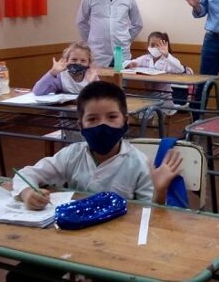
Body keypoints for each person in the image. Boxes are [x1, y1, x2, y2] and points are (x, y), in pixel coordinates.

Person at [12, 81, 183, 209]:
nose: (102, 125)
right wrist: (28, 193)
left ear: (125, 121)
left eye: (112, 117)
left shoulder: (139, 163)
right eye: (92, 119)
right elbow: (24, 174)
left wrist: (160, 192)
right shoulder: (71, 155)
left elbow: (151, 217)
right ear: (81, 126)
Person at [77, 0, 144, 67]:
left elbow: (138, 24)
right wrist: (91, 39)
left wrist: (125, 38)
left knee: (120, 76)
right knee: (98, 77)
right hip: (98, 53)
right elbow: (81, 22)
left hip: (120, 51)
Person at [126, 31, 186, 115]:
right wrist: (131, 64)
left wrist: (167, 55)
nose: (155, 48)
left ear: (163, 46)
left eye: (158, 45)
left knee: (150, 113)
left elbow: (180, 69)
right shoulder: (145, 58)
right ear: (148, 46)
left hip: (164, 98)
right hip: (148, 97)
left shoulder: (167, 61)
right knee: (138, 110)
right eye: (152, 45)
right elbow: (129, 63)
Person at [32, 41, 99, 95]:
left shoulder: (91, 76)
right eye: (74, 60)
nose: (78, 63)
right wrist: (52, 73)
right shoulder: (61, 77)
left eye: (83, 61)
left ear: (89, 63)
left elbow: (100, 97)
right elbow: (38, 92)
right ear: (66, 61)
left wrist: (92, 84)